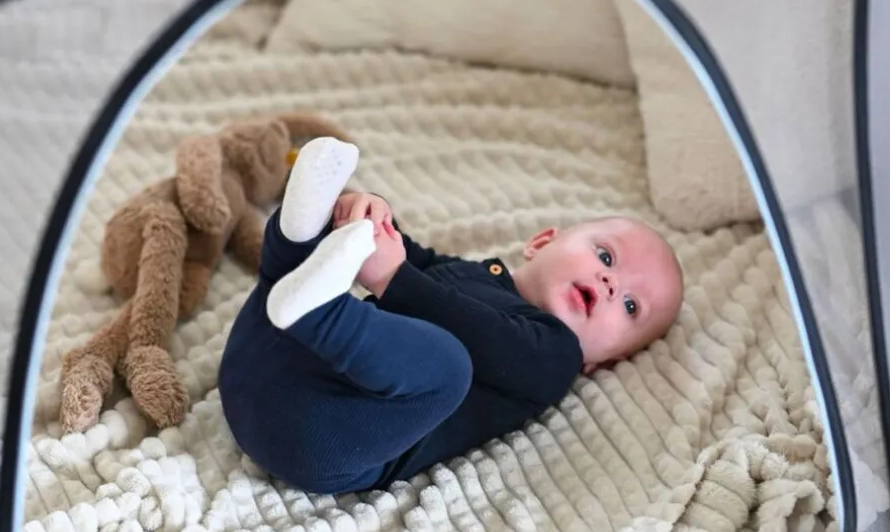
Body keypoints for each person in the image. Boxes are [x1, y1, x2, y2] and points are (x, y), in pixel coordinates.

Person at [218, 137, 684, 495]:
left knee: (450, 365)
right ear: (542, 242)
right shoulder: (474, 274)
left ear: (601, 362)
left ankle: (318, 303)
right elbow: (413, 259)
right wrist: (371, 219)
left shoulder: (556, 356)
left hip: (326, 436)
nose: (610, 284)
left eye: (630, 307)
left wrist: (391, 278)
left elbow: (485, 337)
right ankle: (299, 231)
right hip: (260, 364)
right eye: (605, 256)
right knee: (289, 280)